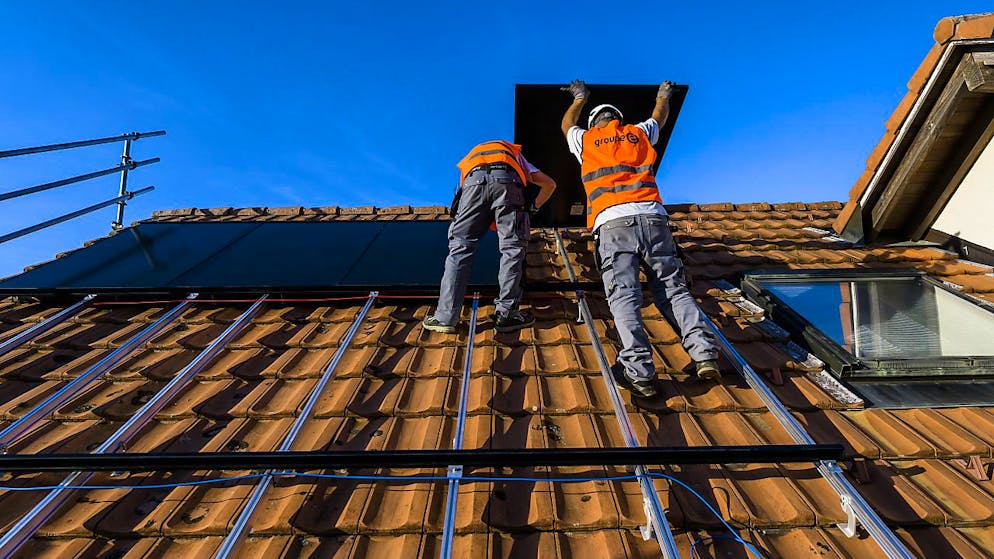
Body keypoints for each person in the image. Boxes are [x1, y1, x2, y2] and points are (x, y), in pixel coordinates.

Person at [560, 79, 720, 397]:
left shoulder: (586, 139)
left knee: (624, 296)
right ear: (618, 118)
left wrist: (579, 97)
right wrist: (663, 95)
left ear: (595, 122)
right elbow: (659, 115)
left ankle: (639, 370)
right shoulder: (638, 133)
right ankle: (704, 354)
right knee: (674, 290)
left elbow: (566, 125)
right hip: (653, 219)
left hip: (612, 224)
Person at [423, 140, 556, 334]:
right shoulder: (515, 157)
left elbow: (473, 198)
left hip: (471, 184)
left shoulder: (474, 157)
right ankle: (507, 313)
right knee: (512, 247)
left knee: (460, 248)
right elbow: (550, 184)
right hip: (508, 181)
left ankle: (445, 317)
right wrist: (531, 207)